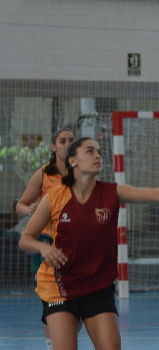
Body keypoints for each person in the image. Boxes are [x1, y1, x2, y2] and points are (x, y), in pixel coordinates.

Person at [19, 137, 159, 350]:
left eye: (99, 152)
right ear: (72, 161)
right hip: (58, 284)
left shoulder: (112, 192)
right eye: (89, 151)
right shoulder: (54, 197)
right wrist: (44, 248)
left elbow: (155, 195)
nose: (97, 156)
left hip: (97, 285)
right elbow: (26, 239)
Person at [15, 127, 75, 350]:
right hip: (47, 244)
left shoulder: (81, 174)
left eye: (71, 140)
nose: (67, 143)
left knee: (73, 310)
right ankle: (53, 344)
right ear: (53, 146)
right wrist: (28, 208)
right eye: (62, 140)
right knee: (52, 302)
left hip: (74, 246)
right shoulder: (43, 174)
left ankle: (60, 337)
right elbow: (20, 204)